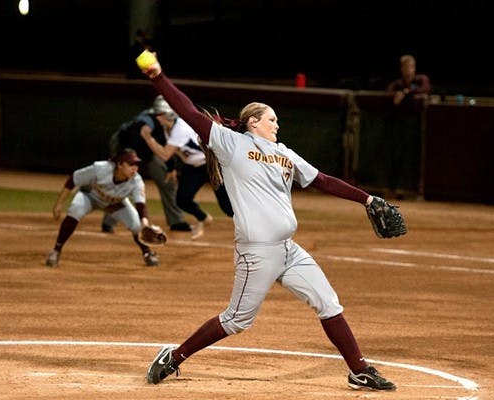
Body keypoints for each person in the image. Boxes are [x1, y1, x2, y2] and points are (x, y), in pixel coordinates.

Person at [139, 55, 397, 390]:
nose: (277, 124)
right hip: (257, 252)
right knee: (236, 320)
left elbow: (324, 180)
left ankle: (358, 369)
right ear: (253, 123)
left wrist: (368, 199)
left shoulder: (286, 154)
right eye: (271, 119)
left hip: (288, 249)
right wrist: (158, 76)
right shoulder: (232, 144)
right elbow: (188, 112)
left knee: (328, 302)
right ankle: (173, 357)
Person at [45, 148, 160, 268]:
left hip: (115, 203)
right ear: (120, 164)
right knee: (75, 209)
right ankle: (56, 251)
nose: (135, 168)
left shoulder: (136, 181)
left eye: (137, 165)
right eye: (131, 164)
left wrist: (145, 224)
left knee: (137, 225)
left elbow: (141, 205)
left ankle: (147, 252)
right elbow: (73, 179)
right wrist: (59, 204)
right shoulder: (100, 168)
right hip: (90, 196)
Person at [140, 95, 234, 240]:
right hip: (193, 167)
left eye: (158, 114)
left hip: (211, 164)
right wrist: (171, 168)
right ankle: (203, 218)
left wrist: (148, 138)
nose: (156, 117)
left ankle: (254, 227)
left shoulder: (181, 127)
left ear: (166, 114)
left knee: (227, 207)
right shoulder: (168, 128)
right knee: (182, 199)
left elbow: (165, 154)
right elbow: (176, 153)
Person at [101, 107, 192, 234]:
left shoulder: (170, 124)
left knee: (167, 180)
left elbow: (165, 145)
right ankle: (108, 222)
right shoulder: (144, 122)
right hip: (124, 147)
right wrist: (123, 165)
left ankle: (176, 221)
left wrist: (170, 168)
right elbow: (129, 145)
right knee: (124, 183)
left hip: (149, 152)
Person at [385, 54, 431, 195]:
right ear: (401, 68)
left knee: (415, 159)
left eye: (411, 66)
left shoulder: (420, 80)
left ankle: (415, 190)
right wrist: (397, 95)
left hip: (417, 128)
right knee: (396, 157)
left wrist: (406, 93)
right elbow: (389, 92)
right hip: (398, 128)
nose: (408, 70)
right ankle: (394, 189)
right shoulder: (397, 84)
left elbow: (426, 88)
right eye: (406, 67)